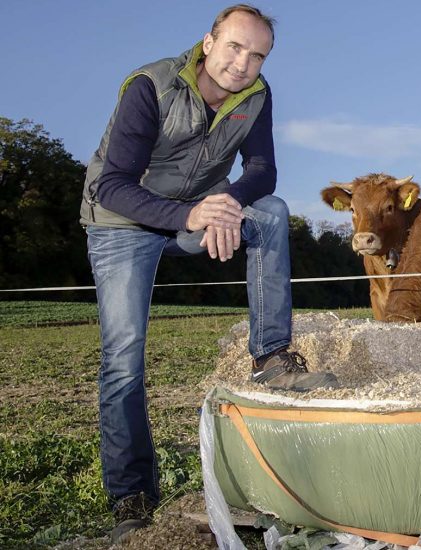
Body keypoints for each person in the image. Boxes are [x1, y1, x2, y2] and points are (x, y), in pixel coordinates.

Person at [79, 4, 335, 543]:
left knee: (271, 212)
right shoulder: (149, 87)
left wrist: (224, 202)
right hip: (121, 221)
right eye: (235, 47)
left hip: (198, 212)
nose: (243, 64)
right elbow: (112, 182)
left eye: (258, 55)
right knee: (123, 356)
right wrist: (190, 214)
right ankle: (132, 494)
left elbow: (262, 172)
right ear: (208, 41)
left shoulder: (257, 96)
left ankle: (271, 355)